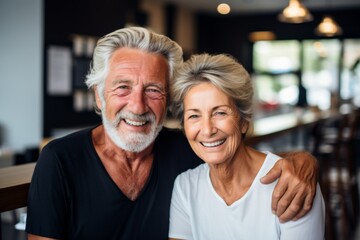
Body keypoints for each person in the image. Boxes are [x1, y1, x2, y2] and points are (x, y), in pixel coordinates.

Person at [26, 27, 318, 240]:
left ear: (167, 100)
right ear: (99, 97)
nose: (138, 106)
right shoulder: (60, 160)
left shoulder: (186, 151)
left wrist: (304, 161)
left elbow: (236, 157)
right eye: (122, 87)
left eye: (153, 90)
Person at [168, 53, 325, 240]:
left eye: (219, 113)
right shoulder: (185, 187)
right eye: (194, 116)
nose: (207, 130)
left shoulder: (292, 184)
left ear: (244, 121)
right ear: (184, 127)